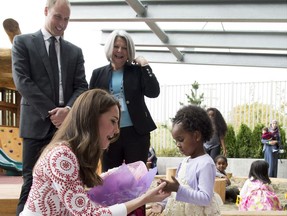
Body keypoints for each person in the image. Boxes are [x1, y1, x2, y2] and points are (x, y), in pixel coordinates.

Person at [19, 88, 170, 215]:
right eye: (113, 121)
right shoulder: (61, 155)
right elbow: (88, 213)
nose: (117, 130)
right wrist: (144, 199)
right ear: (92, 118)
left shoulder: (70, 152)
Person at [11, 0, 88, 214]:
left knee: (69, 184)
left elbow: (82, 86)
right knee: (30, 183)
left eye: (66, 19)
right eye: (57, 16)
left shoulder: (75, 51)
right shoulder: (22, 42)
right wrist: (53, 112)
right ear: (46, 11)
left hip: (67, 128)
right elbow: (22, 81)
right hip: (36, 126)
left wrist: (68, 111)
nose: (62, 23)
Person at [89, 29, 160, 172]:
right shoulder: (98, 74)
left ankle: (139, 196)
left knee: (136, 176)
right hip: (109, 134)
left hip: (136, 133)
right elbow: (90, 105)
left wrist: (145, 65)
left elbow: (153, 92)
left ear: (129, 51)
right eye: (116, 46)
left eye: (125, 48)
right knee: (110, 175)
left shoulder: (137, 71)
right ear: (110, 48)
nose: (120, 51)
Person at [150, 105, 222, 216]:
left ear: (196, 136)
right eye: (176, 141)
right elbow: (176, 193)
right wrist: (162, 204)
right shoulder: (184, 162)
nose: (178, 145)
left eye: (180, 139)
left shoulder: (205, 163)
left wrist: (178, 188)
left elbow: (205, 198)